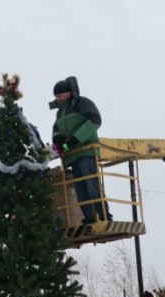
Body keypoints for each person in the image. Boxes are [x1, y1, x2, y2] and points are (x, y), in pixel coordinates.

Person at [50, 76, 111, 225]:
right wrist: (57, 139)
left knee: (91, 183)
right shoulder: (60, 113)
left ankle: (104, 215)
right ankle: (89, 217)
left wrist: (75, 140)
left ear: (67, 92)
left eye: (59, 95)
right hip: (72, 155)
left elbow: (95, 120)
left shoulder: (82, 103)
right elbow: (56, 128)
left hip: (86, 151)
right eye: (56, 97)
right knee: (80, 188)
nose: (58, 99)